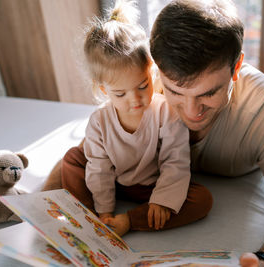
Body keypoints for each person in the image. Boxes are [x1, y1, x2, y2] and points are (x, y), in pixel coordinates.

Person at [148, 0, 264, 266]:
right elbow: (88, 156)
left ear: (236, 67)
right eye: (174, 92)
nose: (191, 111)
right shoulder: (143, 84)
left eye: (208, 93)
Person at [55, 0, 212, 237]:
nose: (135, 99)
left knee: (201, 199)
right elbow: (99, 169)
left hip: (150, 187)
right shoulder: (99, 122)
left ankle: (131, 220)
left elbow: (175, 161)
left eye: (143, 85)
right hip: (113, 182)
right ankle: (90, 220)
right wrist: (103, 210)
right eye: (120, 93)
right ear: (104, 90)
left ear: (152, 72)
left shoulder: (165, 112)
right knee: (72, 160)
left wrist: (162, 200)